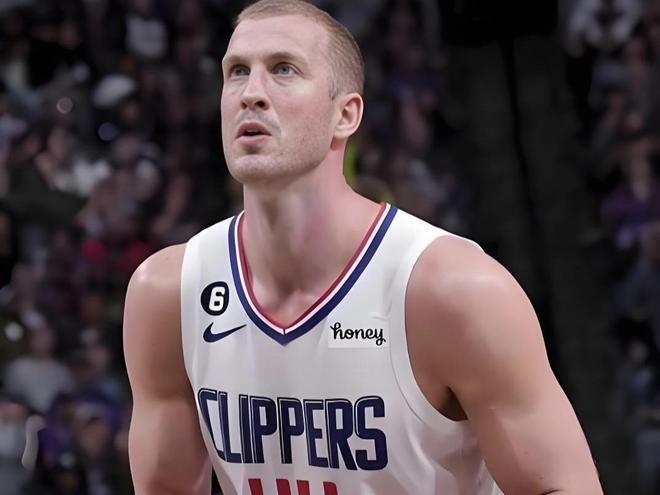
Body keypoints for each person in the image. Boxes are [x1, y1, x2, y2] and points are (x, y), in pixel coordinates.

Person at [123, 1, 604, 494]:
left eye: (284, 69)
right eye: (237, 72)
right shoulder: (169, 294)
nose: (251, 93)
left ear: (345, 115)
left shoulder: (455, 292)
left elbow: (563, 486)